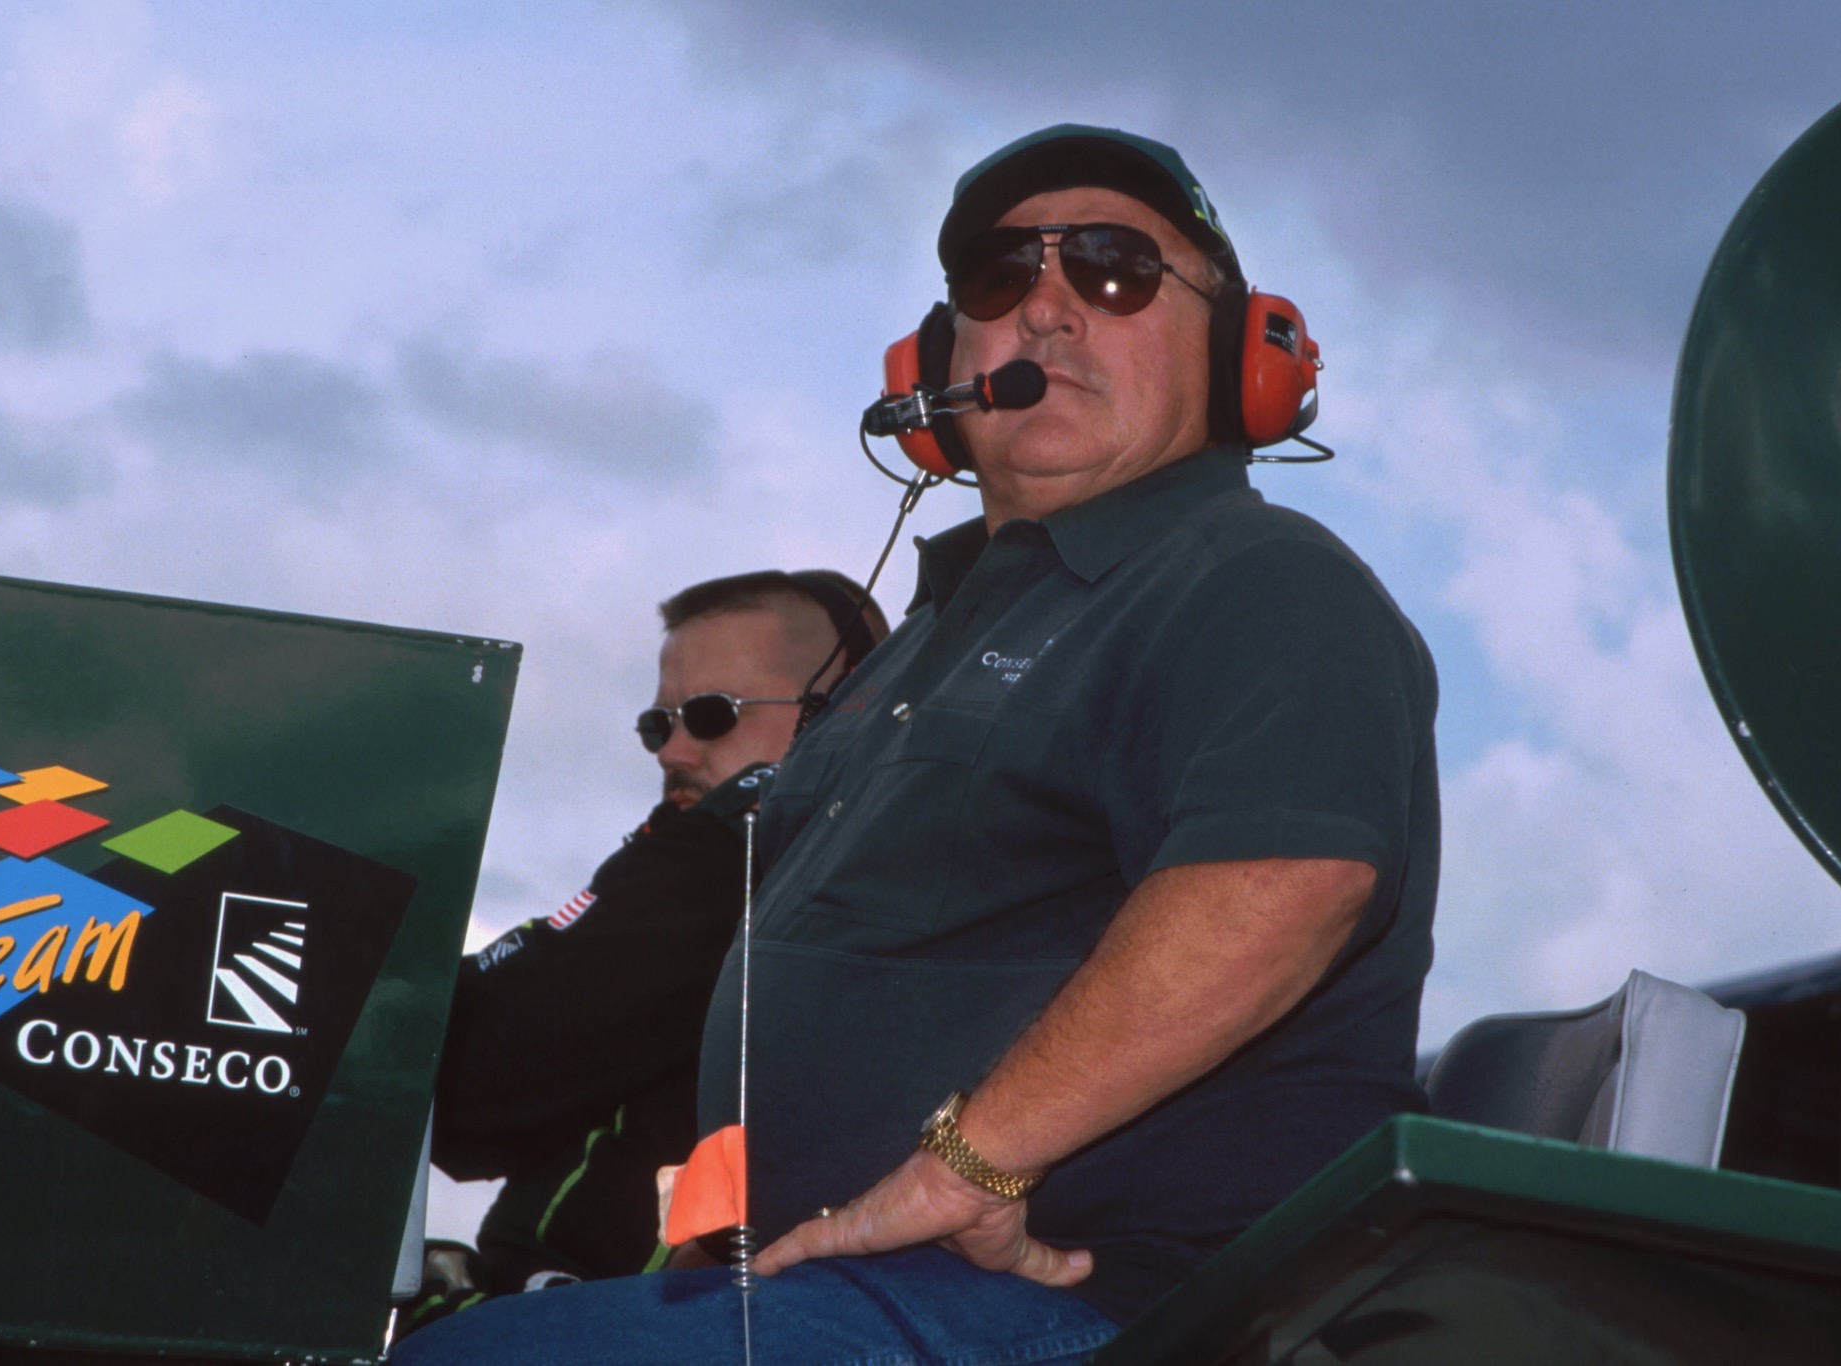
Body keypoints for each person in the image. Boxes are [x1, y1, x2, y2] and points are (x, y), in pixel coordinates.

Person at [398, 124, 1438, 1366]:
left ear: (1237, 354)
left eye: (1112, 269)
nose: (1046, 311)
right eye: (999, 280)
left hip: (1125, 1314)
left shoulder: (1256, 583)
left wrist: (967, 1163)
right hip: (823, 1292)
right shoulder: (915, 643)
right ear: (939, 366)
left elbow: (1286, 880)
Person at [411, 569, 888, 1325]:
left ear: (843, 706)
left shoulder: (743, 851)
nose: (672, 750)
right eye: (656, 725)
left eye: (711, 714)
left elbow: (460, 1079)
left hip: (616, 1319)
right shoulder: (712, 857)